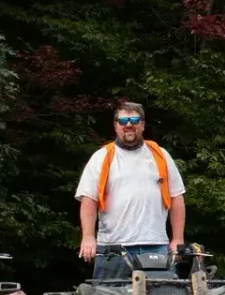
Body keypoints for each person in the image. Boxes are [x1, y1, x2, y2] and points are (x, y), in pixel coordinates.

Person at [75, 101, 185, 279]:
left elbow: (176, 198)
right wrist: (88, 237)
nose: (128, 125)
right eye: (123, 120)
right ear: (115, 125)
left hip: (156, 246)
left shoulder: (161, 155)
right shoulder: (102, 157)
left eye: (134, 119)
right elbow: (89, 200)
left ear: (142, 124)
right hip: (113, 249)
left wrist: (177, 239)